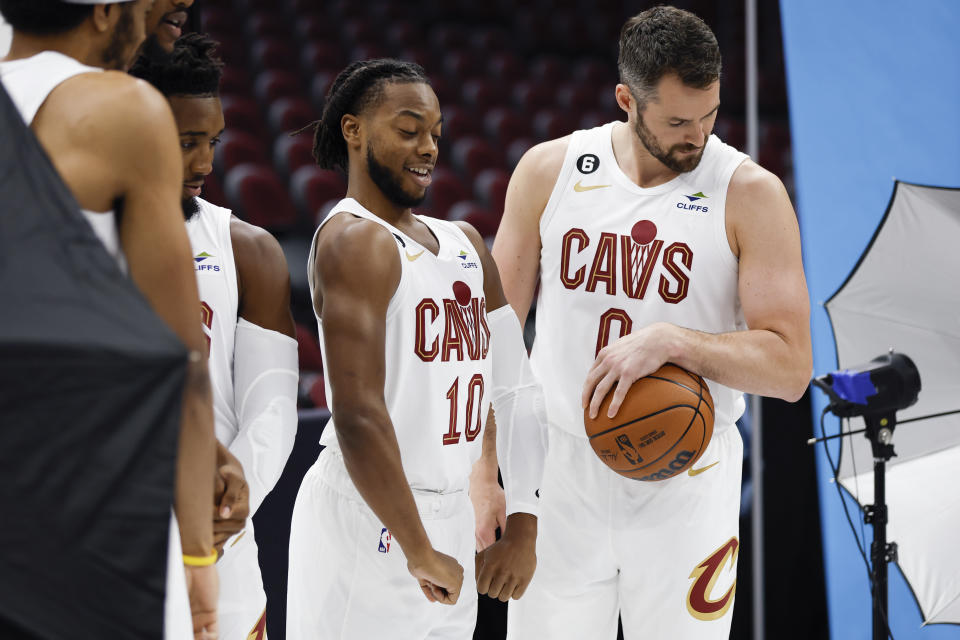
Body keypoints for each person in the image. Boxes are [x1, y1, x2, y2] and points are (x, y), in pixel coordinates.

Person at [493, 6, 812, 640]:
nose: (696, 136)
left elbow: (790, 368)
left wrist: (675, 341)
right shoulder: (549, 171)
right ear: (626, 101)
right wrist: (484, 475)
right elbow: (492, 339)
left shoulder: (750, 193)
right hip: (559, 473)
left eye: (709, 116)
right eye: (675, 121)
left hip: (686, 477)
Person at [286, 58, 547, 640]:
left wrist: (526, 523)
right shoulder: (353, 240)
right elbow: (358, 416)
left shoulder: (464, 242)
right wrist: (416, 546)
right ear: (354, 131)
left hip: (453, 512)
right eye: (408, 131)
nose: (428, 147)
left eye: (435, 132)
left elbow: (516, 388)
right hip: (372, 516)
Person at [0, 1, 218, 638]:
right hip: (83, 490)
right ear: (102, 12)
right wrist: (199, 555)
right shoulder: (121, 106)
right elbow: (185, 359)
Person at [131, 33, 299, 640]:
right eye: (185, 143)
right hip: (113, 536)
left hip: (224, 541)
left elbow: (274, 405)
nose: (205, 162)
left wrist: (228, 504)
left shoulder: (247, 249)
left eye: (212, 142)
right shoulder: (68, 240)